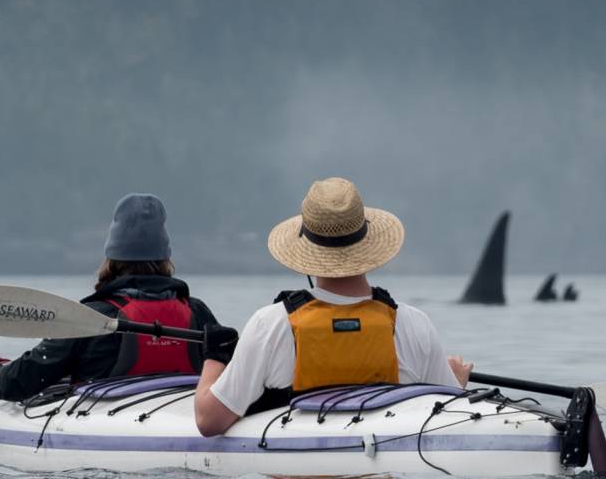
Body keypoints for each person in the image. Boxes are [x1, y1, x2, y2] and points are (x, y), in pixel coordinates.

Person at [195, 177, 472, 436]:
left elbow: (209, 422)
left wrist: (214, 358)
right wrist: (455, 385)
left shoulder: (271, 324)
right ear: (366, 240)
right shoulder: (413, 323)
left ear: (306, 246)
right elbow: (448, 417)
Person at [0, 193, 219, 401]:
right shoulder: (198, 314)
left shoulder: (90, 318)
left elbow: (17, 383)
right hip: (183, 415)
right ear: (166, 258)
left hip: (106, 429)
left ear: (111, 258)